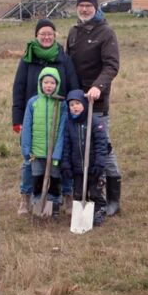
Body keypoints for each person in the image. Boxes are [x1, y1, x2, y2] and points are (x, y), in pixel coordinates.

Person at [11, 18, 81, 214]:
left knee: (63, 160)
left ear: (55, 35)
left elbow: (73, 86)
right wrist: (17, 120)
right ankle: (26, 198)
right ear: (36, 36)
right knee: (30, 163)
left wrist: (74, 110)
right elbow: (19, 88)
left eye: (50, 33)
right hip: (34, 119)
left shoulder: (63, 58)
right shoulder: (28, 58)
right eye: (43, 34)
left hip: (60, 117)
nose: (46, 37)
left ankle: (64, 196)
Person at [67, 0, 124, 216]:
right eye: (81, 5)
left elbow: (111, 65)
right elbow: (68, 64)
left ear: (96, 7)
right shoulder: (73, 32)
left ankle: (113, 197)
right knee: (77, 147)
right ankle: (83, 193)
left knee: (103, 146)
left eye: (88, 5)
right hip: (75, 102)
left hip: (96, 102)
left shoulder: (106, 32)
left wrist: (97, 87)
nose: (84, 9)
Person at [21, 67, 68, 217]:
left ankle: (53, 203)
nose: (49, 85)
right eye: (46, 82)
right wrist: (26, 149)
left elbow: (62, 130)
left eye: (52, 83)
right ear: (40, 83)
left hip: (53, 152)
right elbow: (27, 127)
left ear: (57, 84)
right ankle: (37, 202)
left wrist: (57, 152)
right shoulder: (33, 103)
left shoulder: (61, 104)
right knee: (37, 177)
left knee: (55, 178)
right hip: (36, 151)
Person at [61, 89, 110, 226]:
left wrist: (100, 163)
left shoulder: (94, 122)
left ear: (85, 104)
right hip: (78, 168)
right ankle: (80, 217)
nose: (74, 107)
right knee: (78, 194)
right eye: (71, 105)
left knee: (95, 193)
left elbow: (101, 144)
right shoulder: (69, 124)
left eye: (77, 103)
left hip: (94, 166)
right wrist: (66, 164)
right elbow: (66, 146)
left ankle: (99, 212)